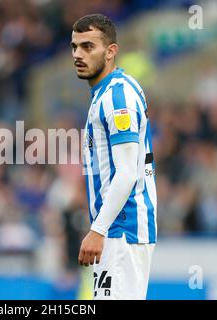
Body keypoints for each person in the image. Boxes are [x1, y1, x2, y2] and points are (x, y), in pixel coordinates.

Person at [71, 13, 157, 300]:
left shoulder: (117, 97)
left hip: (123, 230)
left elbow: (128, 172)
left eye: (88, 47)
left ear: (111, 51)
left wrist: (98, 229)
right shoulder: (105, 93)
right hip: (116, 231)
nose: (78, 55)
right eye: (75, 47)